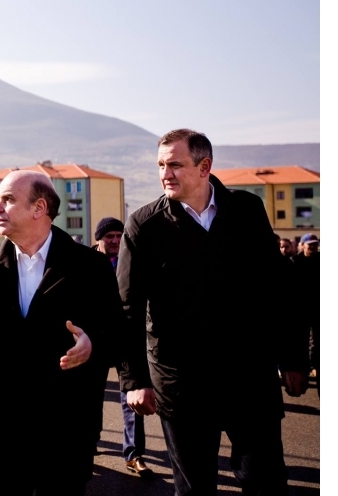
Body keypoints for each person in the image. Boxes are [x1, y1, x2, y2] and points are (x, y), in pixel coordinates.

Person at [117, 129, 309, 496]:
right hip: (181, 384)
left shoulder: (246, 210)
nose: (165, 174)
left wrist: (293, 358)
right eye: (160, 165)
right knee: (194, 490)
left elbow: (278, 289)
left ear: (205, 167)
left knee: (266, 482)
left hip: (249, 377)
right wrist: (134, 380)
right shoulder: (144, 224)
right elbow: (128, 307)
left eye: (175, 165)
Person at [0, 170, 117, 495]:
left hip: (65, 432)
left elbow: (117, 332)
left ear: (39, 208)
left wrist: (92, 343)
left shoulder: (89, 266)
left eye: (7, 200)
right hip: (3, 434)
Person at [92, 216, 151, 475]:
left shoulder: (134, 260)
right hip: (95, 340)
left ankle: (134, 454)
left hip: (128, 339)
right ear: (98, 240)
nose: (116, 240)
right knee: (90, 395)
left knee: (132, 395)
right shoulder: (85, 263)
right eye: (109, 237)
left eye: (119, 236)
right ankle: (89, 440)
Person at [293, 234, 320, 385]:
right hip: (300, 309)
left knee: (317, 340)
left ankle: (316, 366)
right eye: (310, 244)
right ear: (302, 245)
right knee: (301, 340)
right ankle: (304, 369)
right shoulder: (295, 262)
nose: (313, 247)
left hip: (318, 308)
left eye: (315, 244)